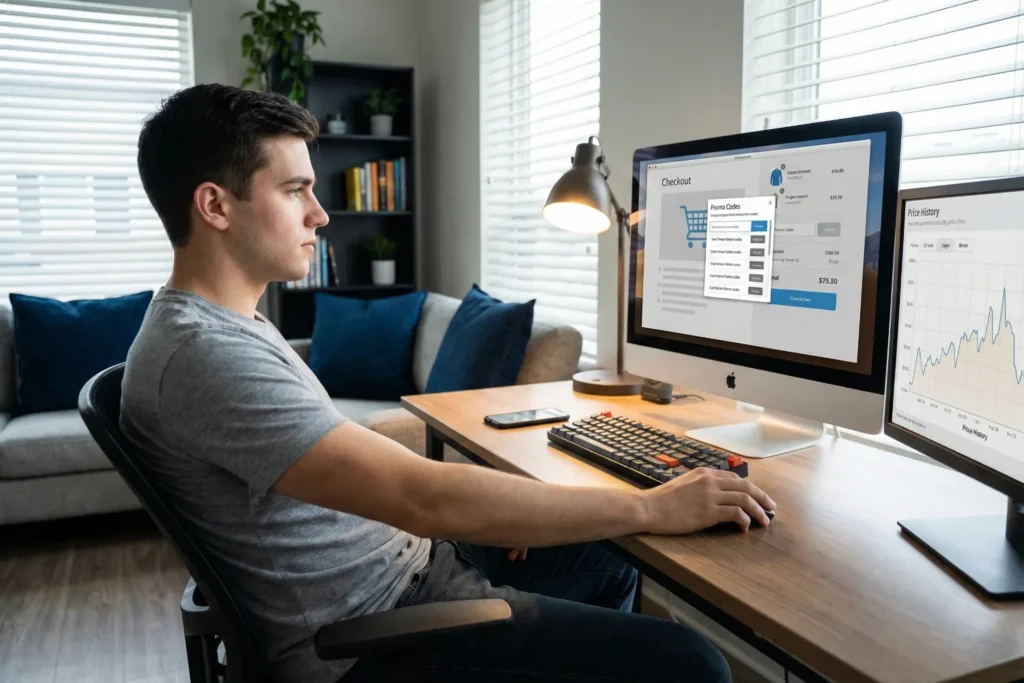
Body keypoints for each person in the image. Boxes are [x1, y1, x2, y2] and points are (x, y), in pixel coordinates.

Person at [122, 83, 775, 683]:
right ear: (215, 205)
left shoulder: (229, 324)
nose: (320, 214)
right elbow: (418, 494)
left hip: (408, 569)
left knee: (606, 554)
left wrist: (503, 510)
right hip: (374, 637)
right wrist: (651, 505)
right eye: (295, 191)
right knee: (692, 662)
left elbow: (368, 473)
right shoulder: (204, 353)